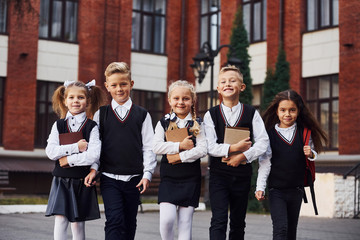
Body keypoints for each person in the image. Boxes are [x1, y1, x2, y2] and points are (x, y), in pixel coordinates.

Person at [203, 65, 269, 240]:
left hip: (242, 175)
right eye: (223, 81)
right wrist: (234, 148)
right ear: (218, 88)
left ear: (242, 87)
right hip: (219, 175)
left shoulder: (251, 113)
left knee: (239, 221)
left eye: (233, 81)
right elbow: (209, 146)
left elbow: (263, 142)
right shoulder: (211, 115)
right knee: (219, 219)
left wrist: (243, 156)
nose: (228, 84)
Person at [93, 62, 157, 240]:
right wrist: (93, 168)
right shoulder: (102, 114)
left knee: (129, 222)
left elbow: (148, 147)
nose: (119, 89)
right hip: (109, 178)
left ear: (131, 84)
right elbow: (95, 146)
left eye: (123, 84)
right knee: (114, 220)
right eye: (113, 85)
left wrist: (147, 174)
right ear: (107, 87)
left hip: (134, 179)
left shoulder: (142, 114)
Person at [255, 89, 328, 240]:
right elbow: (265, 163)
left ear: (298, 111)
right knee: (280, 229)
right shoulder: (269, 135)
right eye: (283, 110)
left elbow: (313, 153)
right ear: (276, 111)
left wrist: (311, 153)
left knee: (291, 231)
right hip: (276, 191)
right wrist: (260, 187)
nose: (287, 114)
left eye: (292, 110)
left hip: (296, 189)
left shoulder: (304, 133)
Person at [45, 80, 107, 240]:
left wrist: (66, 160)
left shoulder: (92, 126)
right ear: (65, 101)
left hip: (81, 181)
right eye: (71, 97)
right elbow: (51, 152)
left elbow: (93, 155)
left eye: (80, 97)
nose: (75, 101)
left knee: (78, 223)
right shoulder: (58, 125)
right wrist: (76, 147)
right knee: (60, 220)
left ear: (88, 101)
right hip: (61, 181)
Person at [153, 80, 207, 240]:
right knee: (166, 221)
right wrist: (180, 146)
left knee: (185, 223)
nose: (181, 102)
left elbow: (203, 150)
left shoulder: (199, 124)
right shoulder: (163, 122)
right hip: (169, 178)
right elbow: (156, 147)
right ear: (169, 100)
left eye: (185, 98)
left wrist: (179, 157)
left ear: (192, 100)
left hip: (190, 178)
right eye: (176, 98)